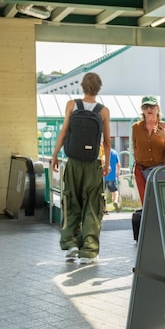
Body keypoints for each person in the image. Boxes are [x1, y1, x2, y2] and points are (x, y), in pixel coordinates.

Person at [50, 72, 111, 264]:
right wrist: (106, 164)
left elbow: (64, 132)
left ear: (82, 87)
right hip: (93, 164)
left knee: (71, 201)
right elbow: (107, 142)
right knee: (92, 206)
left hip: (73, 162)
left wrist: (54, 156)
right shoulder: (103, 111)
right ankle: (89, 252)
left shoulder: (72, 105)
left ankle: (71, 244)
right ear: (99, 88)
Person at [132, 95, 165, 203]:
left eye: (152, 106)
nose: (149, 109)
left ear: (157, 108)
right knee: (147, 203)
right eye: (146, 107)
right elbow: (135, 148)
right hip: (142, 170)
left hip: (161, 170)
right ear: (142, 110)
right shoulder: (136, 127)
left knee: (163, 202)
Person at [104, 149, 121, 213]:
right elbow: (118, 164)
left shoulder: (102, 152)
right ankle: (115, 202)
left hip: (103, 176)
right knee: (115, 192)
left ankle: (105, 209)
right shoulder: (114, 153)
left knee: (103, 194)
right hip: (112, 176)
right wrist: (118, 172)